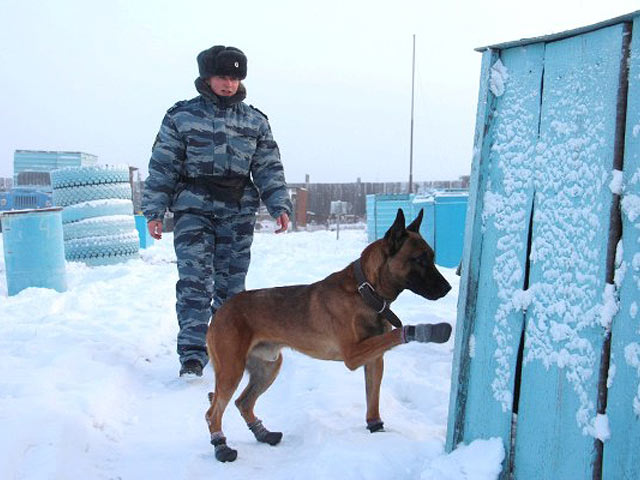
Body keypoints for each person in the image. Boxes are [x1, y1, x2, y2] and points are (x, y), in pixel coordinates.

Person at [142, 45, 292, 377]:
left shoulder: (255, 121)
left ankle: (227, 348)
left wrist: (279, 203)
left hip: (237, 214)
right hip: (193, 210)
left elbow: (268, 167)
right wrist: (154, 210)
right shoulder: (181, 117)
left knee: (231, 289)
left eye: (235, 77)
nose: (229, 84)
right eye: (223, 76)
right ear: (207, 77)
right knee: (196, 283)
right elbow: (163, 166)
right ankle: (193, 355)